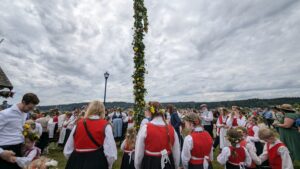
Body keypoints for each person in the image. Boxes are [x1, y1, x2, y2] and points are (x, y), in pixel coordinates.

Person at [64, 100, 117, 169]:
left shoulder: (78, 124)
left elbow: (68, 149)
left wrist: (74, 160)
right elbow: (110, 153)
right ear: (102, 111)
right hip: (96, 161)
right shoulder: (106, 125)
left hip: (76, 160)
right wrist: (108, 165)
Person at [135, 101, 180, 169]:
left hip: (149, 163)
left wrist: (137, 166)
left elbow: (139, 152)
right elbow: (176, 152)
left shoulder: (145, 128)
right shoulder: (171, 129)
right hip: (167, 163)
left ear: (151, 112)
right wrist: (175, 166)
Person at [0, 93, 40, 169]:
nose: (31, 110)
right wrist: (1, 152)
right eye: (29, 107)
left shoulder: (24, 113)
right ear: (24, 102)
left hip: (18, 149)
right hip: (5, 150)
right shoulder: (5, 114)